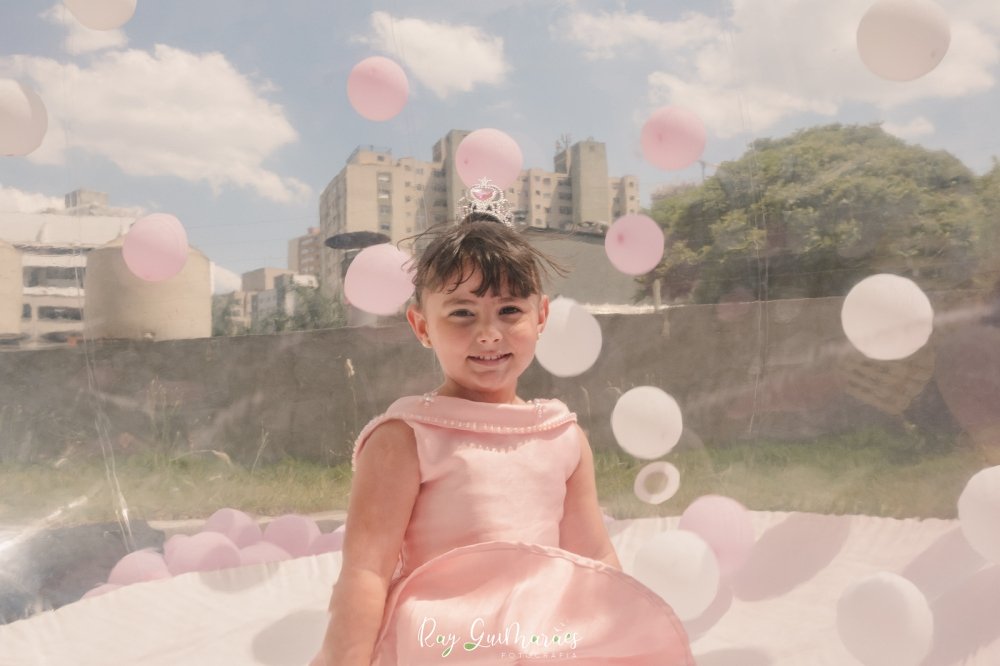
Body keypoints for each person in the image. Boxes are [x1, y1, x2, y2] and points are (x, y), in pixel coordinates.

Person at [312, 180, 693, 665]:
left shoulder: (561, 435)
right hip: (447, 640)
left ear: (541, 317)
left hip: (543, 639)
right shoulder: (407, 436)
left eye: (509, 310)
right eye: (462, 313)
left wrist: (621, 639)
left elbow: (593, 558)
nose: (489, 333)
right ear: (422, 326)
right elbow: (366, 571)